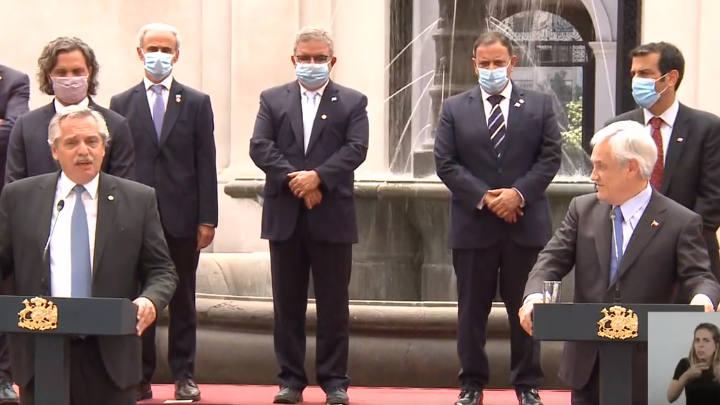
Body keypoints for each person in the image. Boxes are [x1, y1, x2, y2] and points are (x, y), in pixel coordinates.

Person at [519, 120, 720, 405]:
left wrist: (702, 299)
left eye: (601, 166)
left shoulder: (680, 221)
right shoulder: (582, 209)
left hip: (650, 366)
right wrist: (535, 294)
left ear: (631, 167)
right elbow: (551, 260)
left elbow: (701, 276)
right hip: (589, 364)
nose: (593, 176)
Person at [0, 105, 177, 405]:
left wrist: (150, 300)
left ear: (104, 148)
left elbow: (162, 270)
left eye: (92, 142)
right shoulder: (20, 197)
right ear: (55, 151)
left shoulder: (138, 199)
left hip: (111, 356)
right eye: (72, 143)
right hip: (41, 352)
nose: (84, 150)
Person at [433, 31, 561, 405]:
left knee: (527, 310)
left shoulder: (539, 105)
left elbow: (550, 157)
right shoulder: (455, 108)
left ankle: (527, 385)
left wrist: (518, 193)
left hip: (525, 226)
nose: (491, 69)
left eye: (498, 63)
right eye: (484, 63)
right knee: (471, 313)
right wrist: (485, 198)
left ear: (512, 63)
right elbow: (445, 162)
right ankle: (472, 385)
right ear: (474, 65)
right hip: (474, 228)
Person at [248, 26, 369, 405]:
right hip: (286, 218)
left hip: (331, 216)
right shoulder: (272, 99)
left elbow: (356, 149)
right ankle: (290, 380)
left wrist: (319, 178)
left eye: (319, 59)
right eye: (305, 58)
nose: (312, 64)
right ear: (293, 59)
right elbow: (260, 146)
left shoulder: (352, 101)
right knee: (288, 305)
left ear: (332, 62)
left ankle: (335, 381)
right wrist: (295, 181)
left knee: (334, 304)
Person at [109, 22, 218, 402]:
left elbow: (206, 161)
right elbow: (115, 163)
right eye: (152, 48)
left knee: (183, 298)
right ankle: (140, 376)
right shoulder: (120, 104)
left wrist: (208, 218)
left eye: (166, 49)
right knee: (137, 296)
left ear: (177, 55)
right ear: (140, 54)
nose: (159, 55)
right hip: (134, 217)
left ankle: (184, 374)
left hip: (182, 216)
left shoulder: (197, 102)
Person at [605, 42, 720, 292]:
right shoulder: (618, 128)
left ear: (671, 78)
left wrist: (671, 238)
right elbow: (608, 187)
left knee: (677, 331)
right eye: (634, 73)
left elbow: (712, 197)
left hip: (689, 260)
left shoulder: (707, 128)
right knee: (630, 329)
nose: (636, 80)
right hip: (629, 258)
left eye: (645, 74)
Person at [5, 37, 135, 183]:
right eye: (61, 72)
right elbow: (14, 189)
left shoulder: (116, 125)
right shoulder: (26, 127)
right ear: (49, 76)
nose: (70, 79)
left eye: (77, 71)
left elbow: (123, 188)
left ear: (89, 72)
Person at [0, 63, 30, 405]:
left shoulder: (13, 81)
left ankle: (3, 376)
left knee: (5, 289)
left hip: (2, 207)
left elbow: (11, 131)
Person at [667, 323, 720, 404]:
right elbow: (670, 398)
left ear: (716, 346)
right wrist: (687, 376)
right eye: (697, 340)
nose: (700, 345)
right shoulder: (685, 364)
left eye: (706, 341)